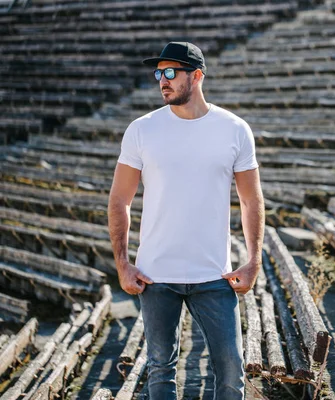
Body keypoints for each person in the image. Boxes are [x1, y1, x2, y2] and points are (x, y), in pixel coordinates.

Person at [108, 41, 265, 400]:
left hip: (214, 275)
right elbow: (119, 199)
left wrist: (254, 260)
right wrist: (122, 263)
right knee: (160, 370)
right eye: (158, 73)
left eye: (170, 72)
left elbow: (251, 198)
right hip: (155, 276)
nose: (162, 80)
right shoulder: (142, 130)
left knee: (229, 371)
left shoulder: (235, 129)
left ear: (196, 76)